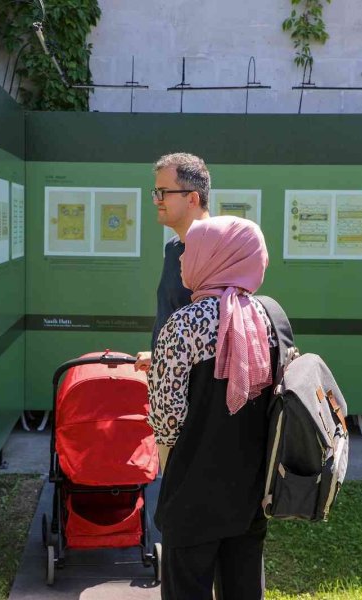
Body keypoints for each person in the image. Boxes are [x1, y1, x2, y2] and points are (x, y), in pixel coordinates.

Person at [147, 216, 282, 600]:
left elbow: (166, 420)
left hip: (192, 490)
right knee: (243, 588)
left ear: (216, 256)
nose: (181, 258)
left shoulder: (183, 324)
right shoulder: (270, 318)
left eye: (191, 249)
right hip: (250, 491)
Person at [134, 152, 211, 375]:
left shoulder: (219, 252)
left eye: (164, 193)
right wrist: (159, 355)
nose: (157, 200)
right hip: (168, 383)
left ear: (192, 199)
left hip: (199, 393)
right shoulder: (173, 248)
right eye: (156, 192)